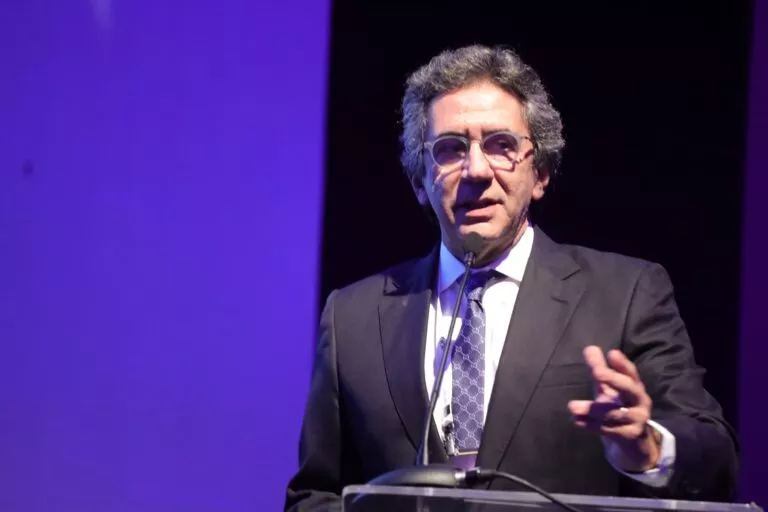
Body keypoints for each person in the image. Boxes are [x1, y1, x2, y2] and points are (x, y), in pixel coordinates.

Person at [284, 44, 739, 511]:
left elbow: (716, 460)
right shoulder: (352, 318)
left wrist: (648, 449)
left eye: (501, 145)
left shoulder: (625, 294)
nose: (476, 170)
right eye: (450, 149)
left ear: (539, 173)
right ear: (420, 180)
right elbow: (313, 497)